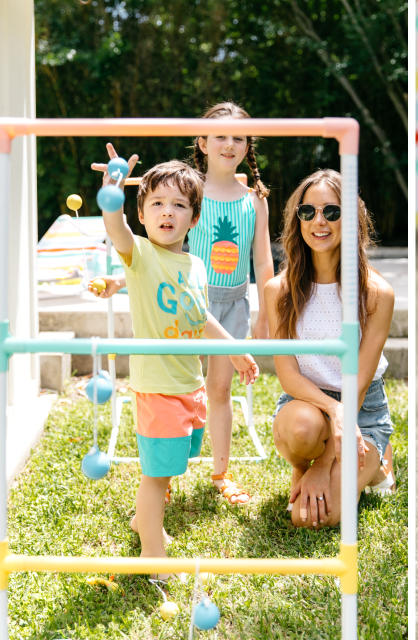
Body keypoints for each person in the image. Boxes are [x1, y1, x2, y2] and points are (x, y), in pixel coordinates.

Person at [89, 102, 274, 506]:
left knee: (216, 392)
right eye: (219, 135)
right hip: (188, 307)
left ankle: (220, 472)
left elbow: (261, 261)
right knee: (179, 393)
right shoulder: (188, 190)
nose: (229, 144)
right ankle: (161, 479)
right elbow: (155, 259)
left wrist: (264, 316)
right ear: (202, 142)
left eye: (238, 137)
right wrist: (122, 277)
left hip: (230, 303)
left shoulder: (253, 199)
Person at [96, 146, 258, 578]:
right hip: (158, 389)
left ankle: (142, 522)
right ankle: (153, 553)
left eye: (179, 205)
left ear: (194, 217)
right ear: (143, 214)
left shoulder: (195, 265)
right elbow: (117, 229)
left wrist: (234, 349)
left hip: (191, 386)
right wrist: (112, 189)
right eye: (157, 204)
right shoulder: (141, 256)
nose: (167, 213)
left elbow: (198, 316)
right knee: (154, 476)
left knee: (169, 470)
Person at [264, 169, 396, 529]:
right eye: (308, 212)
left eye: (332, 212)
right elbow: (289, 375)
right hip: (305, 403)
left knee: (307, 519)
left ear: (350, 219)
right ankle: (300, 467)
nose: (318, 221)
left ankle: (378, 459)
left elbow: (361, 380)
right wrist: (332, 412)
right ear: (298, 220)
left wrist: (325, 465)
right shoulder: (278, 291)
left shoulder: (376, 295)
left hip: (360, 408)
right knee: (304, 429)